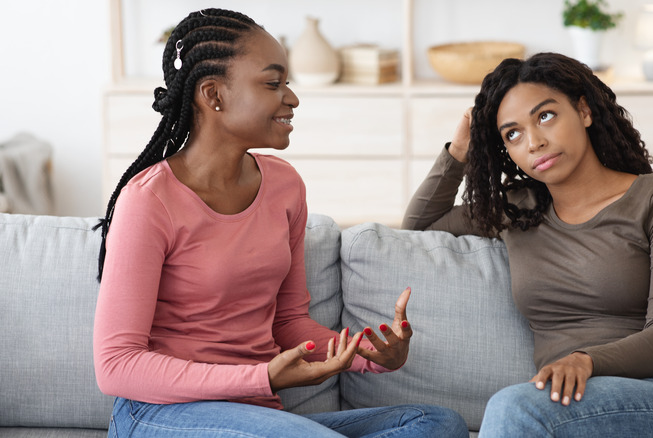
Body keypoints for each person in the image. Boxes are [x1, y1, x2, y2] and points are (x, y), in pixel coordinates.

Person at [92, 8, 468, 438]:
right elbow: (116, 366)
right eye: (273, 83)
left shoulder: (284, 185)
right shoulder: (149, 200)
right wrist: (262, 378)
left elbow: (288, 322)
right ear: (213, 94)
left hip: (264, 418)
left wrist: (370, 353)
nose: (291, 97)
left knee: (435, 424)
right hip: (160, 414)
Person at [402, 53, 653, 437]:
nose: (534, 142)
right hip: (565, 404)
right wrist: (458, 153)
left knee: (513, 406)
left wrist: (584, 360)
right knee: (520, 407)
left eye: (545, 116)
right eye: (513, 134)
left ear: (584, 110)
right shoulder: (518, 208)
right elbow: (417, 229)